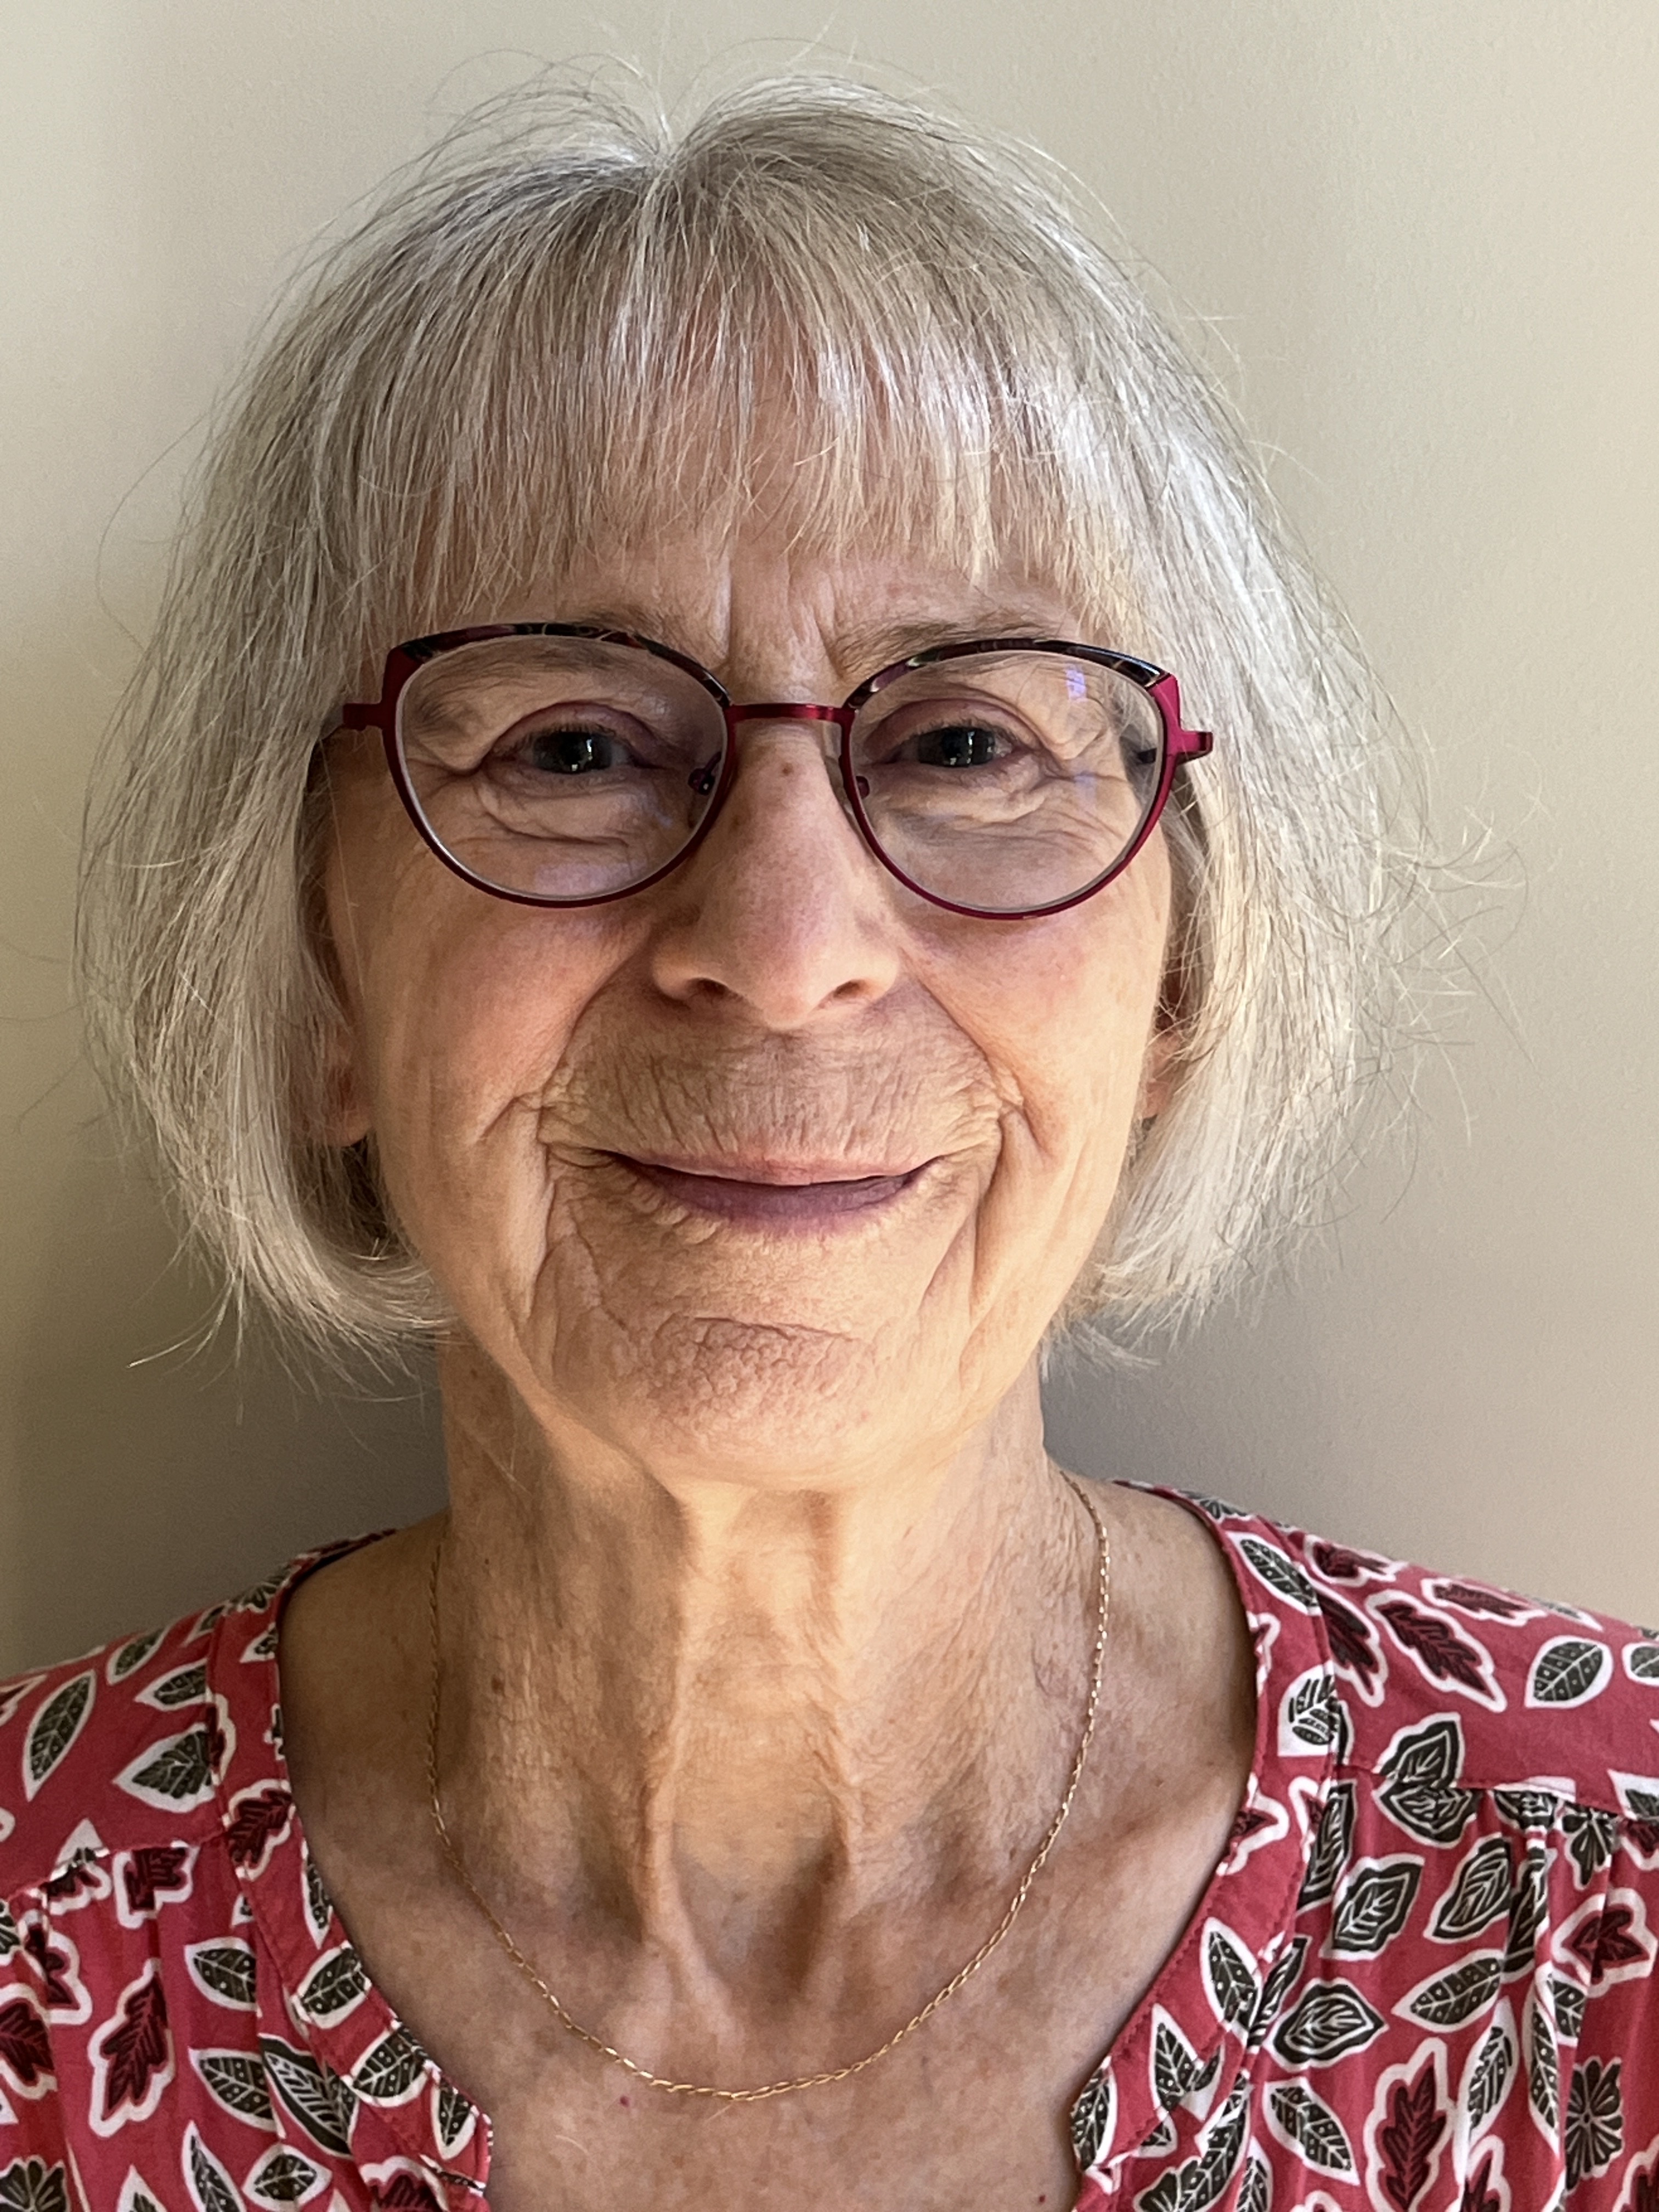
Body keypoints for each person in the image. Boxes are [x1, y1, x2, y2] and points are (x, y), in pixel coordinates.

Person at [3, 75, 1654, 2212]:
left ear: (1175, 981)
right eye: (573, 747)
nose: (786, 952)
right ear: (319, 976)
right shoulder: (36, 1966)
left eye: (967, 739)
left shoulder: (1601, 1909)